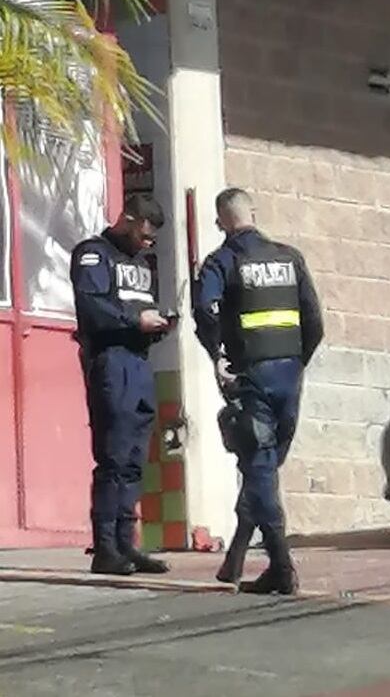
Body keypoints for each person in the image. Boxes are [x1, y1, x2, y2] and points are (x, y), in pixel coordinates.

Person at [192, 188, 324, 594]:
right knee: (263, 467)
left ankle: (282, 569)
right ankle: (235, 559)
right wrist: (295, 363)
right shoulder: (289, 257)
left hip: (252, 378)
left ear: (220, 222)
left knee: (259, 469)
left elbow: (204, 310)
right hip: (290, 375)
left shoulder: (221, 262)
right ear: (254, 212)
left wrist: (216, 356)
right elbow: (314, 321)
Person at [71, 193, 176, 575]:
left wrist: (159, 326)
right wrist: (135, 323)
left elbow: (138, 308)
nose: (148, 244)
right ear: (127, 220)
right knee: (113, 457)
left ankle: (127, 543)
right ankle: (105, 547)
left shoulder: (139, 264)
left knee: (134, 459)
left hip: (139, 362)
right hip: (111, 363)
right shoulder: (94, 254)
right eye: (144, 235)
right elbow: (92, 306)